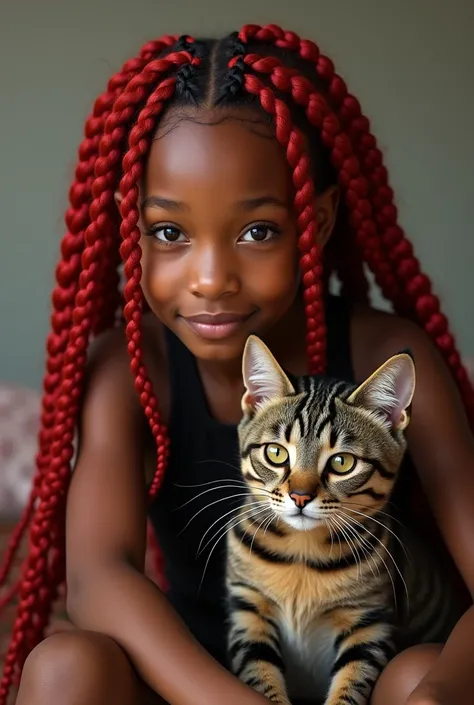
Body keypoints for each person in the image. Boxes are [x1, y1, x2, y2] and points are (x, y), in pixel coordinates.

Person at [1, 24, 473, 705]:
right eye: (170, 232)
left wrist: (442, 690)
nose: (211, 278)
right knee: (64, 665)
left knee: (415, 672)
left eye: (257, 231)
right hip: (204, 684)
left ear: (316, 220)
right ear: (130, 228)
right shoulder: (132, 369)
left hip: (360, 680)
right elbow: (99, 576)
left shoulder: (385, 357)